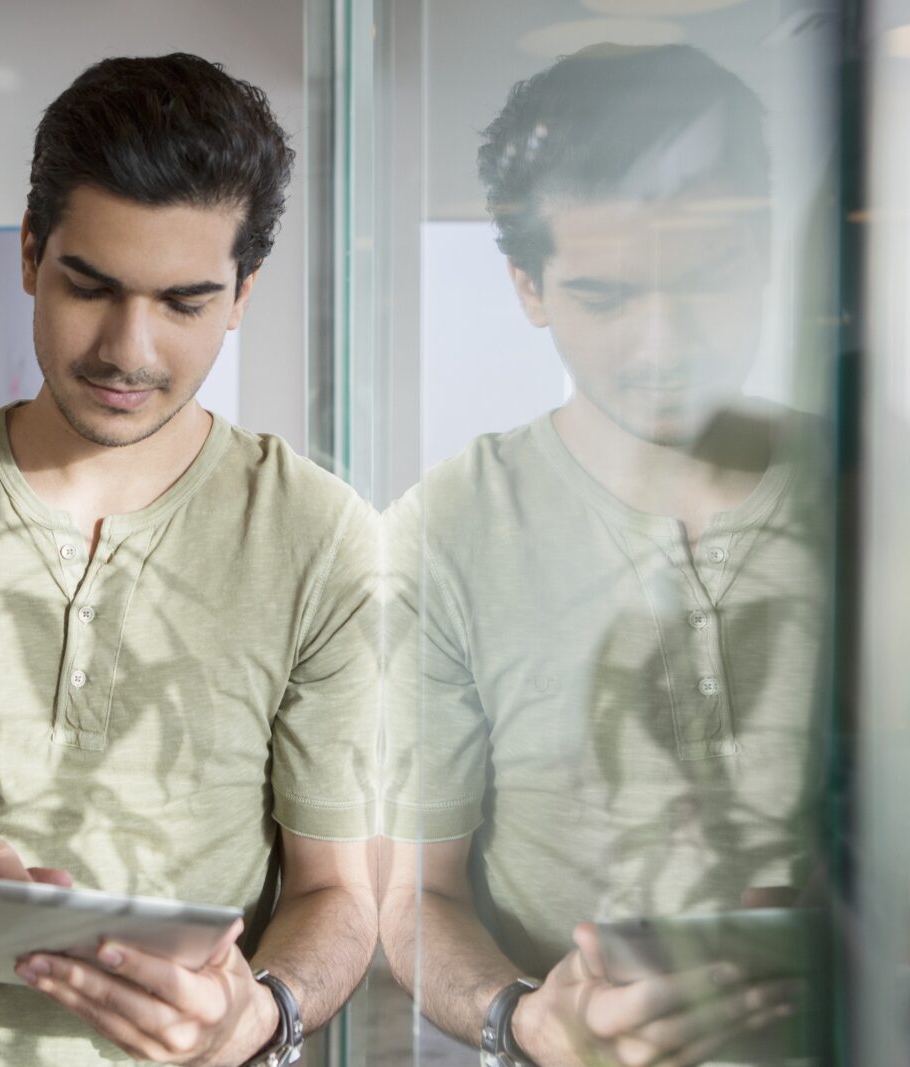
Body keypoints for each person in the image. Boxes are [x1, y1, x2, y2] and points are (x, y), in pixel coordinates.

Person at [0, 53, 381, 1066]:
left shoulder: (320, 535)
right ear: (30, 253)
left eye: (184, 303)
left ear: (241, 293)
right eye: (90, 287)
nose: (129, 350)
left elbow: (338, 890)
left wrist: (260, 1012)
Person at [375, 44, 830, 1067]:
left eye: (703, 280)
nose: (662, 342)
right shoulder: (448, 527)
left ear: (762, 255)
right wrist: (521, 1017)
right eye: (606, 297)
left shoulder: (877, 492)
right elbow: (413, 895)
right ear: (528, 287)